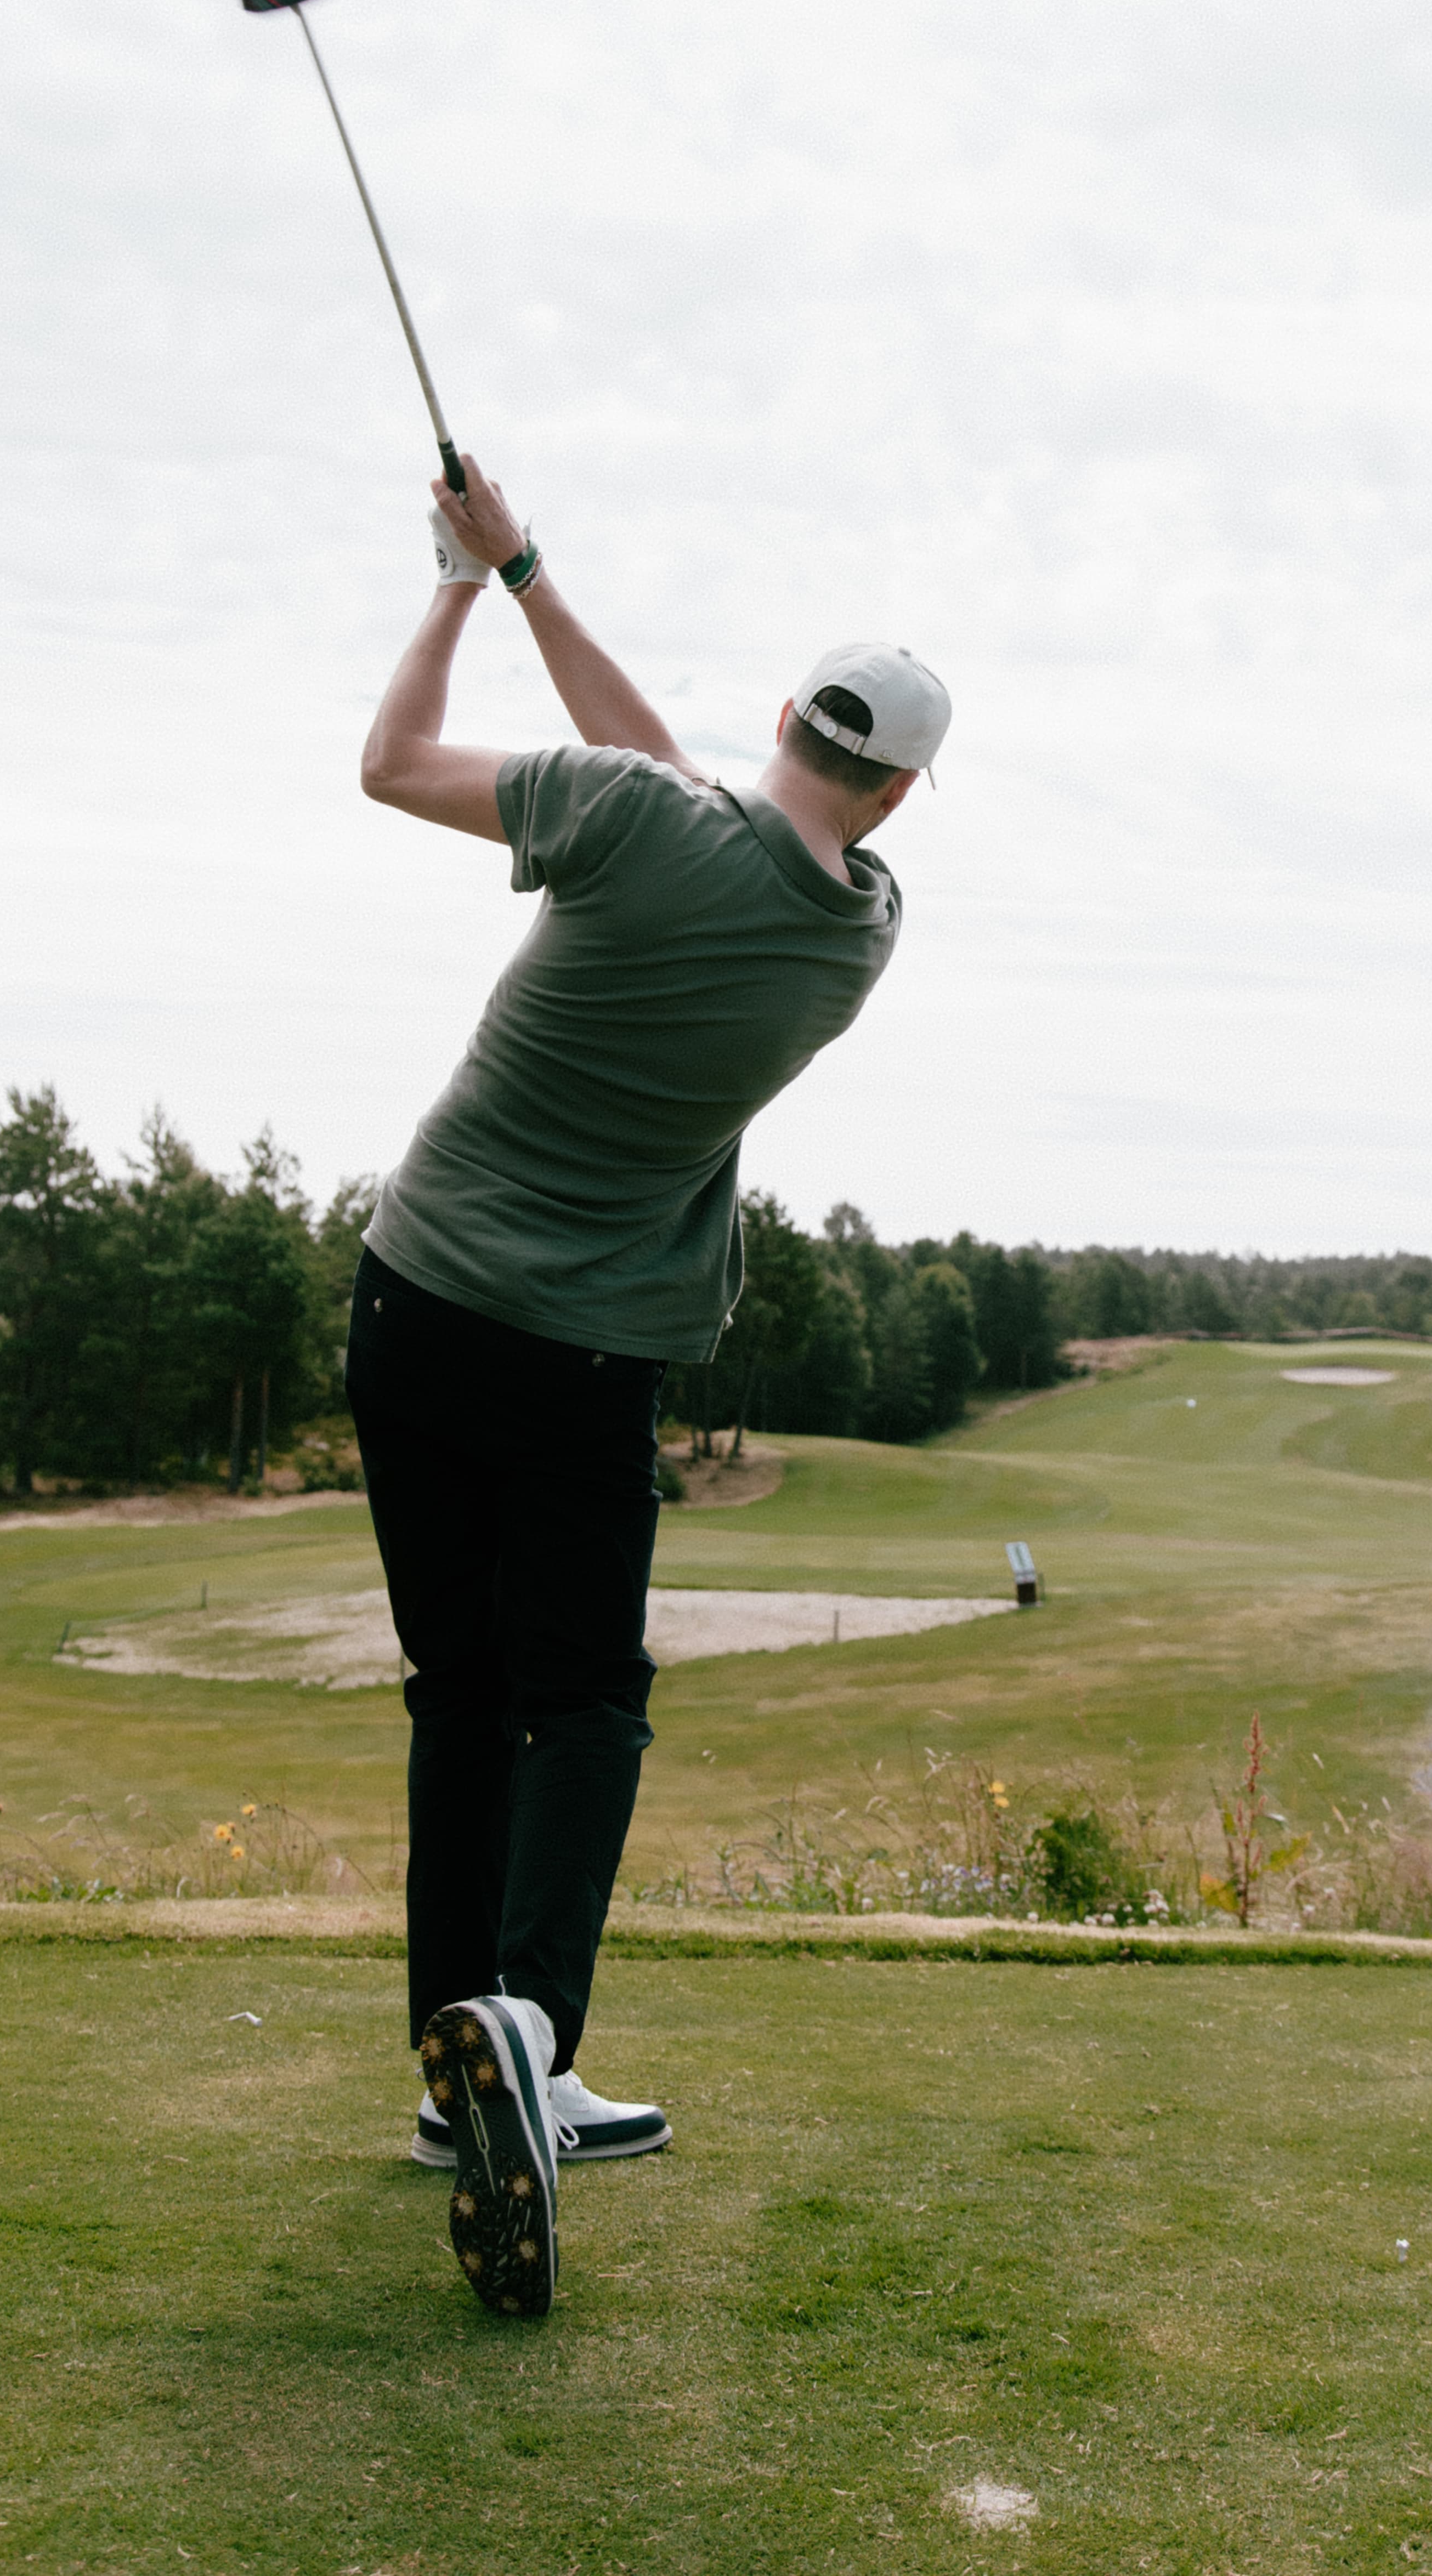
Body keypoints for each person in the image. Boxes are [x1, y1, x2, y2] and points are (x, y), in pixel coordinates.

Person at [343, 452, 949, 2322]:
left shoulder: (619, 815)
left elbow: (393, 766)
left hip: (414, 1300)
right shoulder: (856, 934)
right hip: (586, 1358)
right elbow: (697, 800)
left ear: (780, 717)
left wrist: (463, 582)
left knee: (461, 1697)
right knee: (585, 1703)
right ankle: (527, 2030)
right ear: (900, 790)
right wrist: (527, 566)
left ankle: (458, 2077)